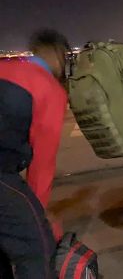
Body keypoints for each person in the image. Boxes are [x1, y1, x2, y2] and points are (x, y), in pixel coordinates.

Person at [0, 30, 68, 279]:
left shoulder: (6, 67)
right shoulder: (48, 87)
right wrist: (40, 213)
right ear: (60, 57)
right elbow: (42, 162)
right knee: (37, 246)